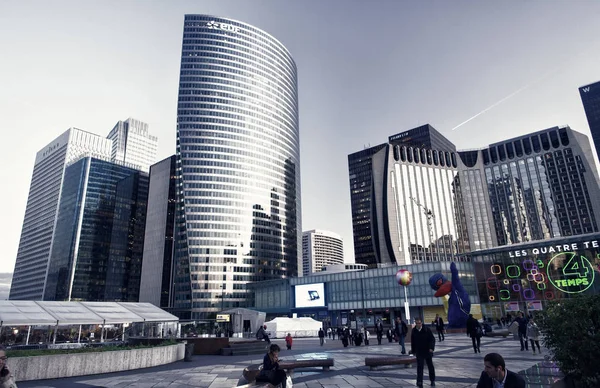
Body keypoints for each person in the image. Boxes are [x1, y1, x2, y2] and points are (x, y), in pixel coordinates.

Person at [410, 317, 436, 387]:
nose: (418, 325)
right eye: (417, 323)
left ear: (421, 323)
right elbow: (413, 342)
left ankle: (432, 380)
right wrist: (413, 351)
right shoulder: (414, 331)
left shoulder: (427, 330)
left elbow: (432, 339)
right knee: (420, 367)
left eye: (419, 323)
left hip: (427, 350)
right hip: (419, 351)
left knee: (430, 366)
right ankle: (419, 382)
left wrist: (431, 348)